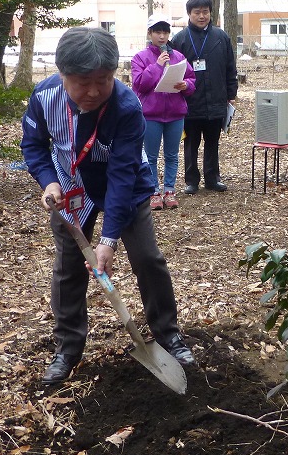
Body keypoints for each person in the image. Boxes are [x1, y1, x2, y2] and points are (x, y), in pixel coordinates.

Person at [21, 27, 195, 386]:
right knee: (69, 267)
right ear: (63, 75)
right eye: (83, 82)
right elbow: (34, 146)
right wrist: (47, 180)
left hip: (125, 185)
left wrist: (109, 239)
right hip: (71, 188)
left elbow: (121, 175)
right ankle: (68, 347)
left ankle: (168, 334)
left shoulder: (127, 107)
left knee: (147, 258)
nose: (94, 92)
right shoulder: (44, 96)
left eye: (103, 80)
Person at [170, 0, 238, 193]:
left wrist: (231, 93)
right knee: (191, 143)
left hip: (216, 98)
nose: (202, 16)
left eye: (205, 12)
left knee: (212, 141)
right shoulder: (180, 39)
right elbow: (173, 71)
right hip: (190, 100)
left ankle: (212, 178)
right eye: (197, 12)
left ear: (210, 13)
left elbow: (230, 68)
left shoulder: (221, 37)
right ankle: (191, 180)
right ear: (189, 14)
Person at [132, 14, 196, 210]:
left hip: (176, 113)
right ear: (150, 33)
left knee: (172, 154)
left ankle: (169, 190)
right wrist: (157, 65)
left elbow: (192, 80)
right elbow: (139, 84)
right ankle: (153, 191)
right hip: (151, 114)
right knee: (150, 156)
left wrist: (186, 85)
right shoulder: (140, 58)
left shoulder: (179, 57)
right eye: (157, 32)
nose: (162, 36)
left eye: (165, 32)